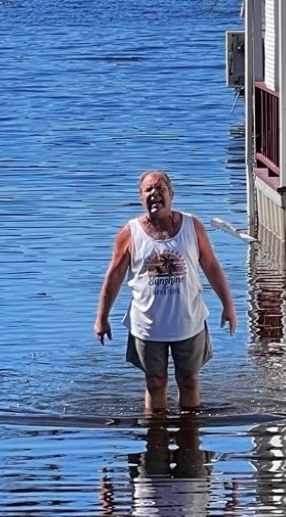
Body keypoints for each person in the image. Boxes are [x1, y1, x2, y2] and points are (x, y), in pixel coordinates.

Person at [95, 170, 237, 415]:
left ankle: (190, 438)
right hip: (148, 324)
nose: (155, 194)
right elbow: (114, 275)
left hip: (188, 321)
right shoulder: (129, 233)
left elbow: (211, 265)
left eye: (160, 188)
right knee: (155, 381)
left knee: (189, 379)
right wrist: (102, 317)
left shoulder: (193, 226)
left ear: (171, 194)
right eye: (148, 190)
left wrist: (228, 306)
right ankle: (155, 437)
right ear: (141, 198)